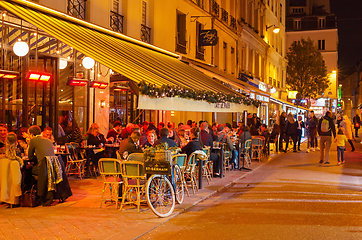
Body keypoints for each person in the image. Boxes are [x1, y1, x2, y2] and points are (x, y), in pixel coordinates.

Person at [28, 125, 72, 206]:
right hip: (52, 168)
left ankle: (32, 195)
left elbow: (29, 156)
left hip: (43, 168)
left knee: (28, 171)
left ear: (31, 134)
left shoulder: (33, 140)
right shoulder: (48, 140)